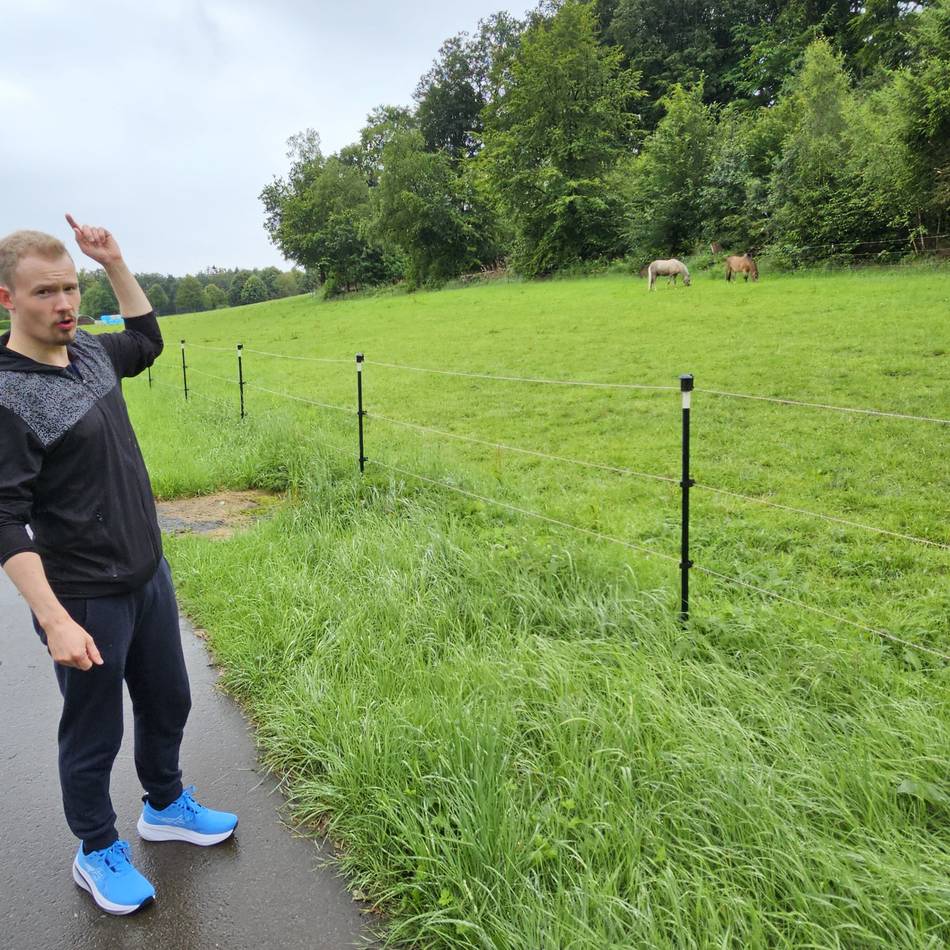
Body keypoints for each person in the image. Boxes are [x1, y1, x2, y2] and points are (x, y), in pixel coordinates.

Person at [0, 215, 238, 916]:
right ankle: (96, 849)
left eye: (71, 288)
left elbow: (148, 340)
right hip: (83, 596)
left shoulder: (92, 355)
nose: (65, 304)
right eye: (45, 292)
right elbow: (5, 517)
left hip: (147, 574)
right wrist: (55, 621)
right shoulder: (7, 396)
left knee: (170, 700)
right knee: (94, 732)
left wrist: (115, 262)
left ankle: (165, 805)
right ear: (7, 299)